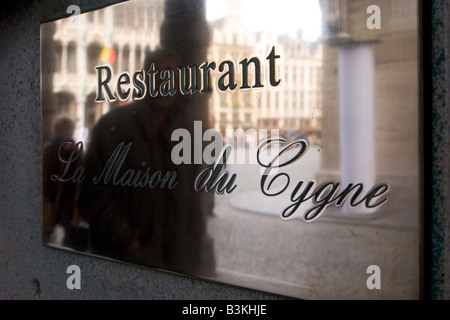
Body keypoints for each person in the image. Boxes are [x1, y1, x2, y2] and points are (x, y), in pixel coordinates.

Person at [77, 48, 215, 276]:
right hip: (127, 265)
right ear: (145, 79)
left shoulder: (188, 130)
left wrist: (193, 247)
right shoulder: (114, 126)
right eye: (157, 74)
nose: (164, 81)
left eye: (170, 74)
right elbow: (92, 197)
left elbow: (192, 195)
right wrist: (128, 241)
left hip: (178, 264)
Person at [42, 115, 82, 242]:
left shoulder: (78, 150)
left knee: (69, 231)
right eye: (66, 129)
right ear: (58, 130)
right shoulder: (50, 149)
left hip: (71, 196)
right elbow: (44, 174)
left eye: (71, 128)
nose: (69, 131)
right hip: (54, 196)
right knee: (48, 230)